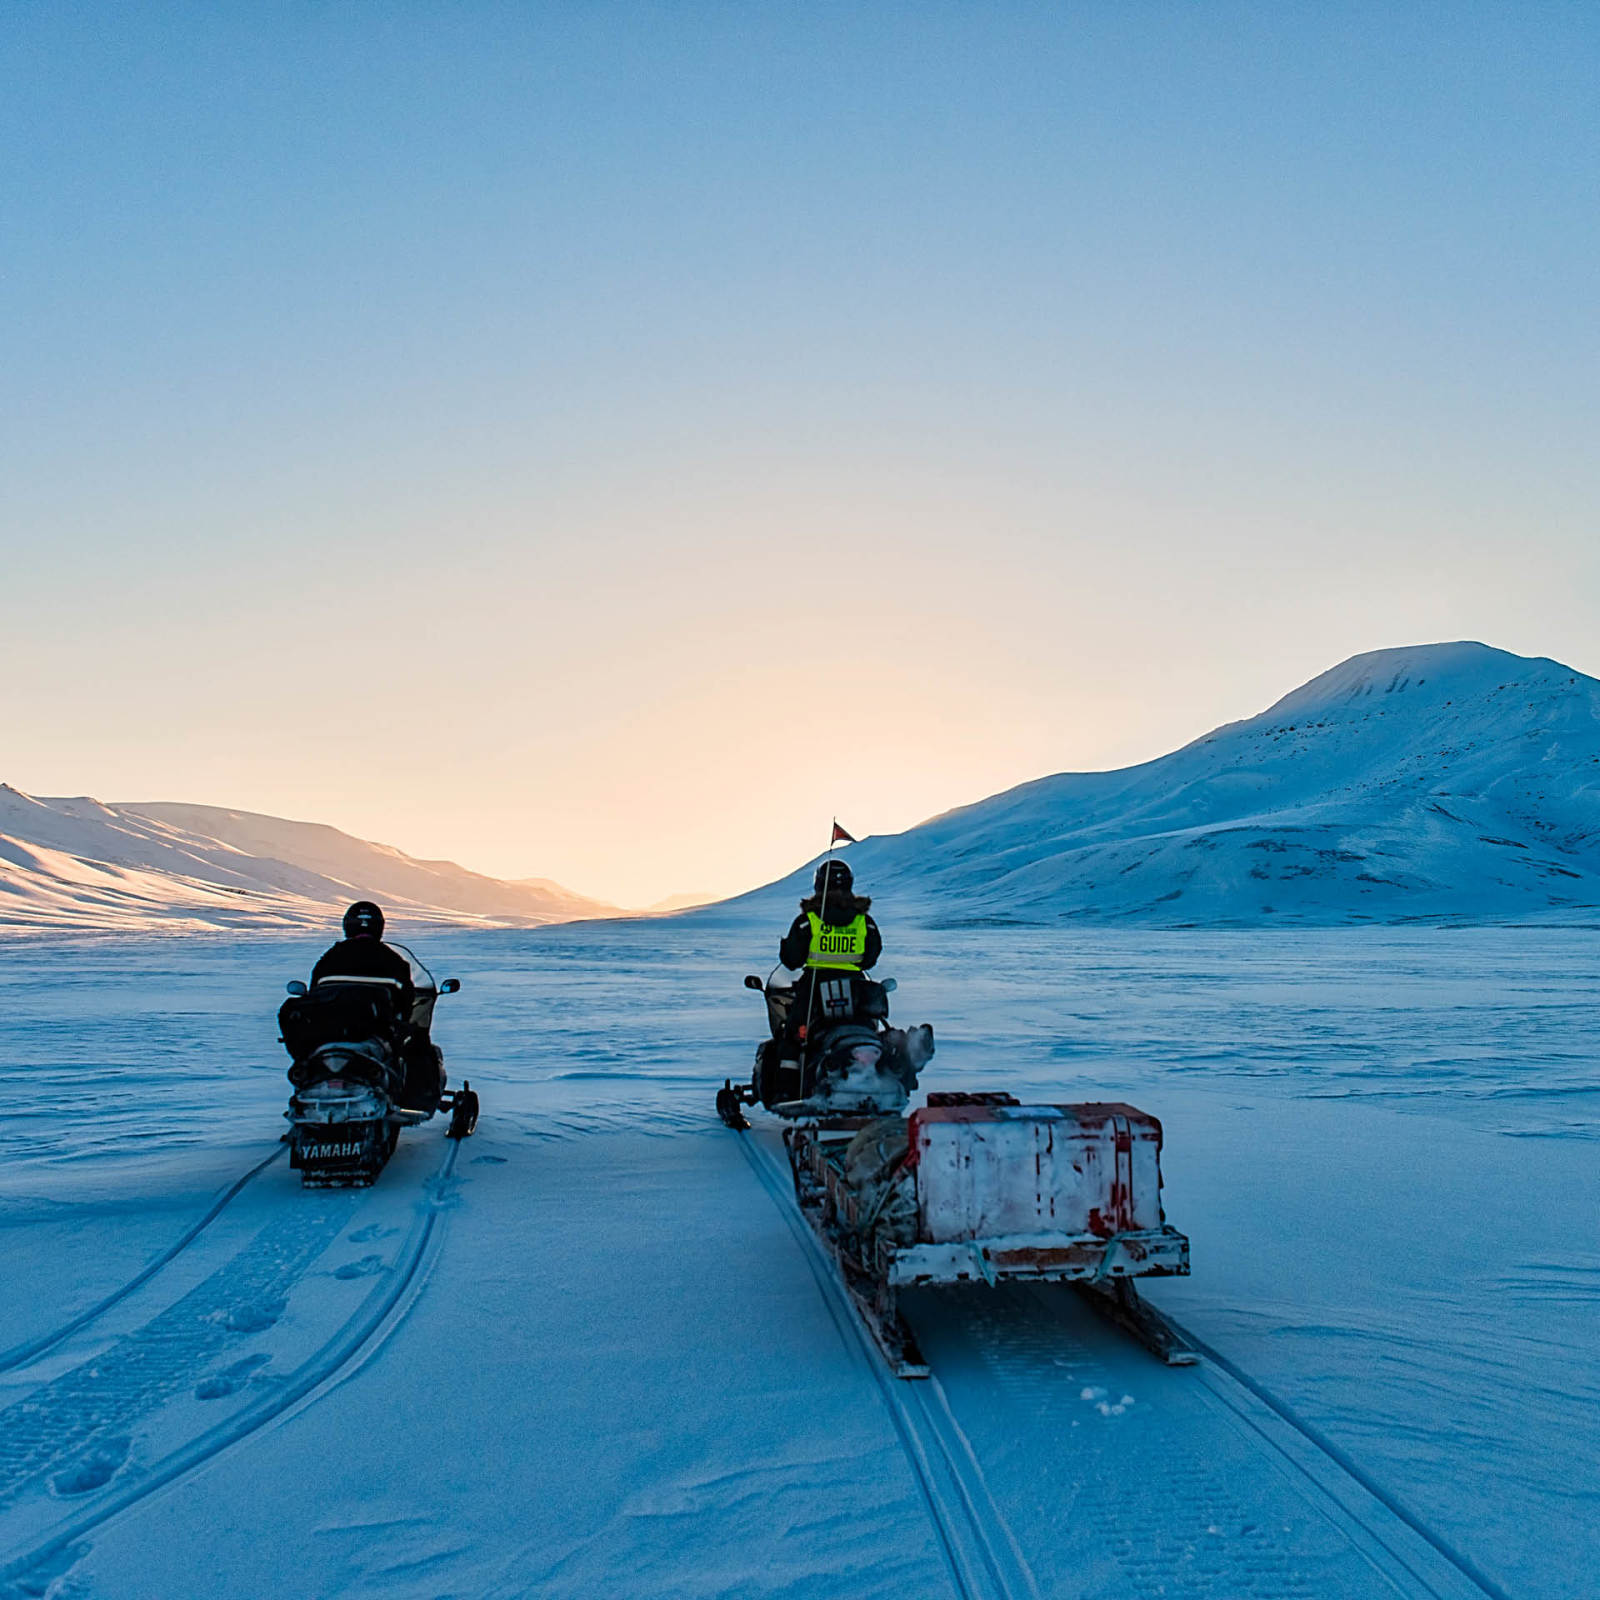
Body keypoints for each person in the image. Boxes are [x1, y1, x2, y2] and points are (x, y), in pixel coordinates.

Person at [310, 901, 443, 1106]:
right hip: (377, 1029)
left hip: (332, 1030)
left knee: (307, 1050)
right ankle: (415, 1099)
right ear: (379, 927)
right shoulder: (392, 959)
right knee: (416, 1047)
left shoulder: (329, 958)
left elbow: (314, 993)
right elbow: (406, 998)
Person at [771, 859, 882, 1063]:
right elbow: (870, 958)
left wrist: (787, 947)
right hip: (855, 989)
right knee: (870, 1028)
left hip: (814, 988)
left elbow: (792, 960)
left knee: (793, 1038)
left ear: (819, 884)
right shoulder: (863, 921)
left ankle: (788, 1079)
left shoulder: (808, 921)